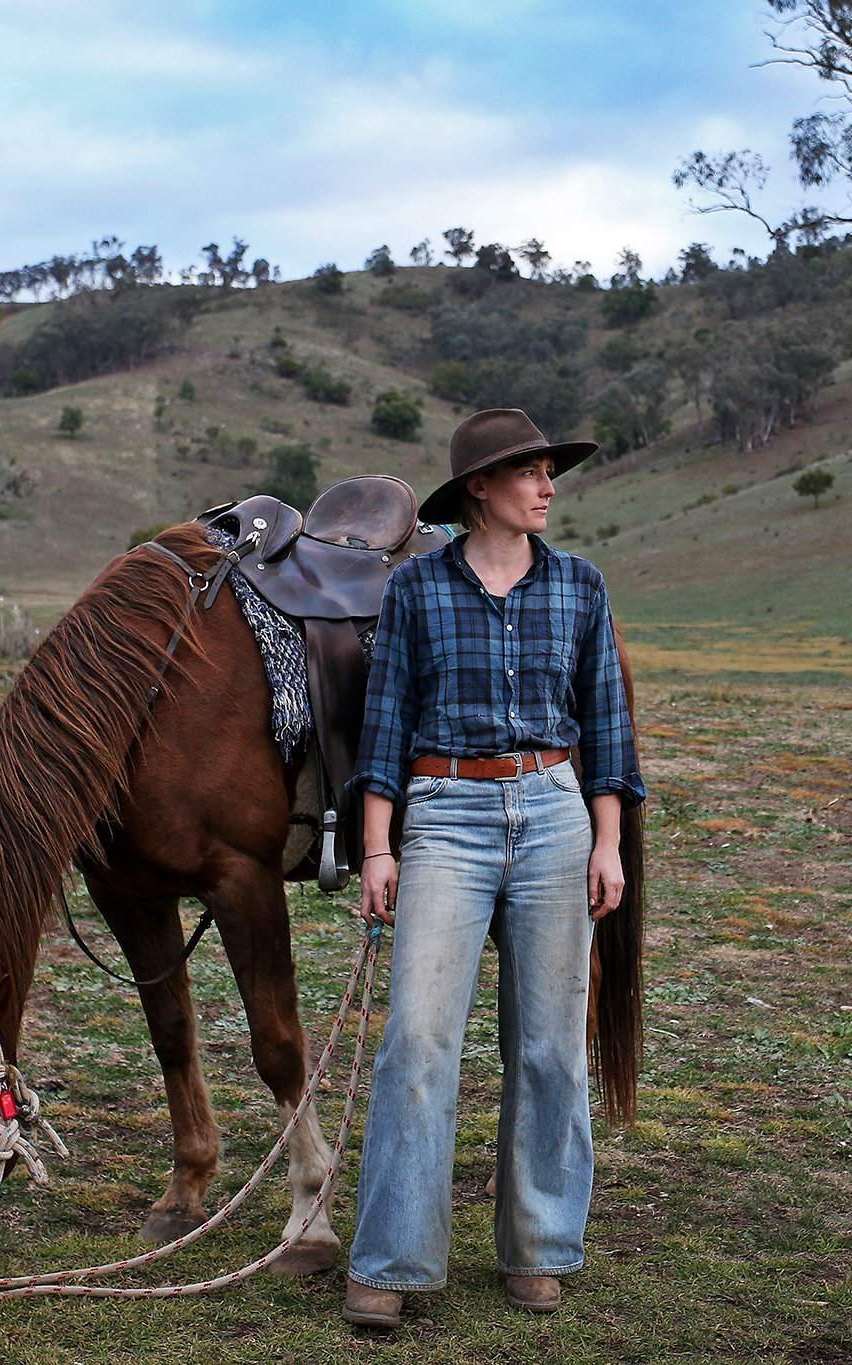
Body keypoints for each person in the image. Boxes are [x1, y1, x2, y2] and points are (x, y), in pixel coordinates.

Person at [339, 408, 645, 1331]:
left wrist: (607, 840)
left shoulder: (580, 587)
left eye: (551, 472)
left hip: (554, 807)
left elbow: (607, 730)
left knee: (550, 1041)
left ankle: (541, 1245)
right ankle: (392, 1257)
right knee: (419, 1039)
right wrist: (379, 846)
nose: (548, 487)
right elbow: (384, 721)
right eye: (530, 473)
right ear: (481, 488)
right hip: (445, 815)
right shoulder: (418, 591)